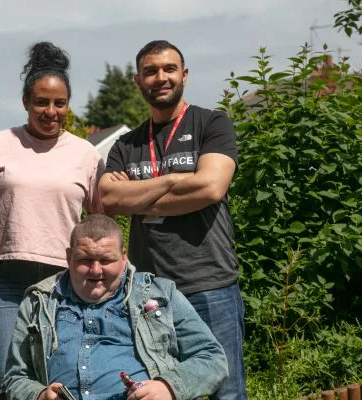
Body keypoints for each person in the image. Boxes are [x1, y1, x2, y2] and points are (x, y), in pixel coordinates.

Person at [98, 40, 245, 399]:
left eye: (169, 69)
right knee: (158, 390)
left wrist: (139, 196)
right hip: (151, 291)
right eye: (150, 71)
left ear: (184, 74)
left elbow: (211, 187)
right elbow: (110, 199)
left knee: (225, 392)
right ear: (138, 80)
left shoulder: (212, 124)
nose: (160, 77)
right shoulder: (126, 144)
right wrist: (172, 180)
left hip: (209, 283)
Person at [0, 42, 104, 399]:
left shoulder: (86, 154)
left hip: (65, 282)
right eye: (41, 102)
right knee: (9, 377)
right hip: (6, 280)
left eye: (60, 103)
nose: (51, 111)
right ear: (26, 102)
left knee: (60, 376)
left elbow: (101, 221)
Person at [4, 214, 228, 400]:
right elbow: (16, 378)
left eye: (105, 260)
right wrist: (40, 395)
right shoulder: (38, 302)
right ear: (69, 257)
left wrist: (168, 388)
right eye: (85, 260)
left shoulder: (161, 295)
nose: (95, 270)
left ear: (123, 258)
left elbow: (212, 358)